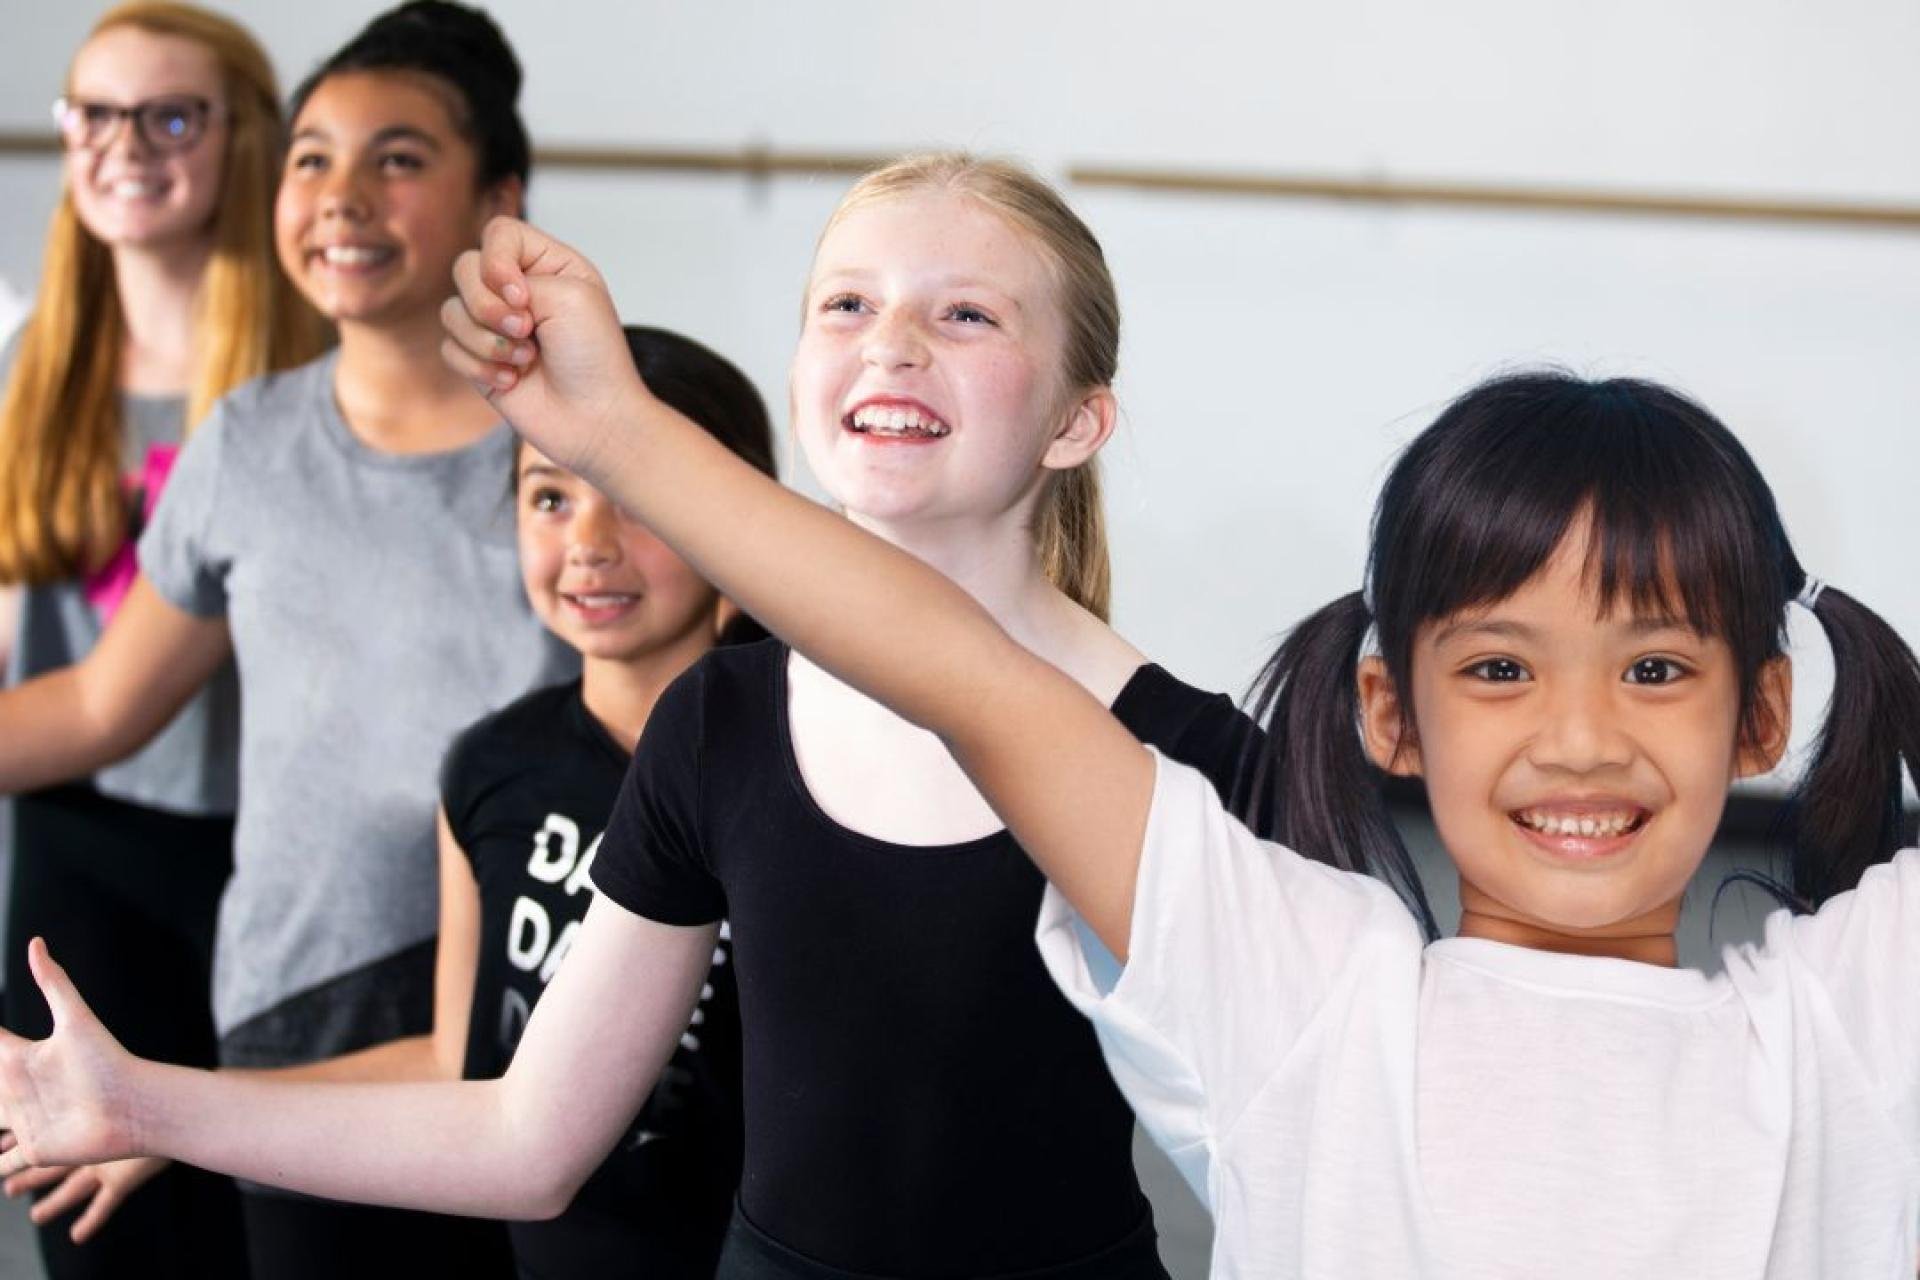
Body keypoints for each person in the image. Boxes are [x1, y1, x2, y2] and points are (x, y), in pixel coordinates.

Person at [434, 249, 1920, 1278]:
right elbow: (965, 676)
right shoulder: (1299, 988)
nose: (1582, 738)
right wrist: (616, 435)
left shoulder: (1846, 1025)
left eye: (1656, 669)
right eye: (1501, 668)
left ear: (1764, 713)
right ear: (1392, 714)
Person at [0, 153, 1267, 1280]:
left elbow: (1304, 1154)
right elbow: (526, 1134)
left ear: (1076, 419)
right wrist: (145, 1104)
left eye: (966, 313)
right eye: (848, 304)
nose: (891, 344)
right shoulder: (719, 719)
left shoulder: (1193, 759)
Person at [0, 4, 572, 1274]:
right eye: (314, 157)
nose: (343, 195)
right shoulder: (247, 440)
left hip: (505, 1029)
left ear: (499, 199)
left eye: (401, 158)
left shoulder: (577, 448)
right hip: (278, 1010)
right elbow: (101, 702)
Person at [0, 4, 324, 1274]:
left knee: (277, 1234)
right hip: (82, 865)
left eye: (169, 115)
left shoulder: (314, 367)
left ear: (242, 139)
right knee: (104, 1240)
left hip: (275, 868)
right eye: (96, 113)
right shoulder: (32, 363)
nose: (124, 146)